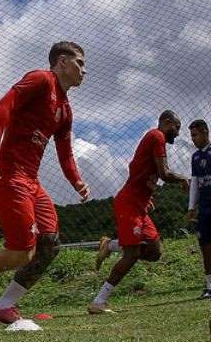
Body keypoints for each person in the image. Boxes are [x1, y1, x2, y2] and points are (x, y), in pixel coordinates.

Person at [0, 42, 90, 323]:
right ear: (62, 62)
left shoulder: (65, 110)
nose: (84, 70)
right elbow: (3, 106)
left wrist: (77, 181)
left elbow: (65, 153)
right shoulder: (41, 80)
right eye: (80, 63)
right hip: (8, 174)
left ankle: (4, 305)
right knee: (22, 252)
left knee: (49, 244)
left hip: (31, 181)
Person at [90, 111, 190, 312]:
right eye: (177, 127)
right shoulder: (156, 136)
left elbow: (139, 169)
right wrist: (183, 179)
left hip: (139, 205)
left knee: (154, 252)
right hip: (129, 204)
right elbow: (164, 173)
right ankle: (98, 302)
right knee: (132, 254)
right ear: (166, 122)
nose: (178, 133)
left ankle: (110, 245)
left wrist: (147, 196)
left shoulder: (155, 139)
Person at [185, 120, 211, 299]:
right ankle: (209, 285)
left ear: (205, 132)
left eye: (195, 135)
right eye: (191, 136)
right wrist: (191, 206)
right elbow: (194, 182)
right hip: (204, 208)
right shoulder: (195, 157)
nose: (193, 139)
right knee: (205, 245)